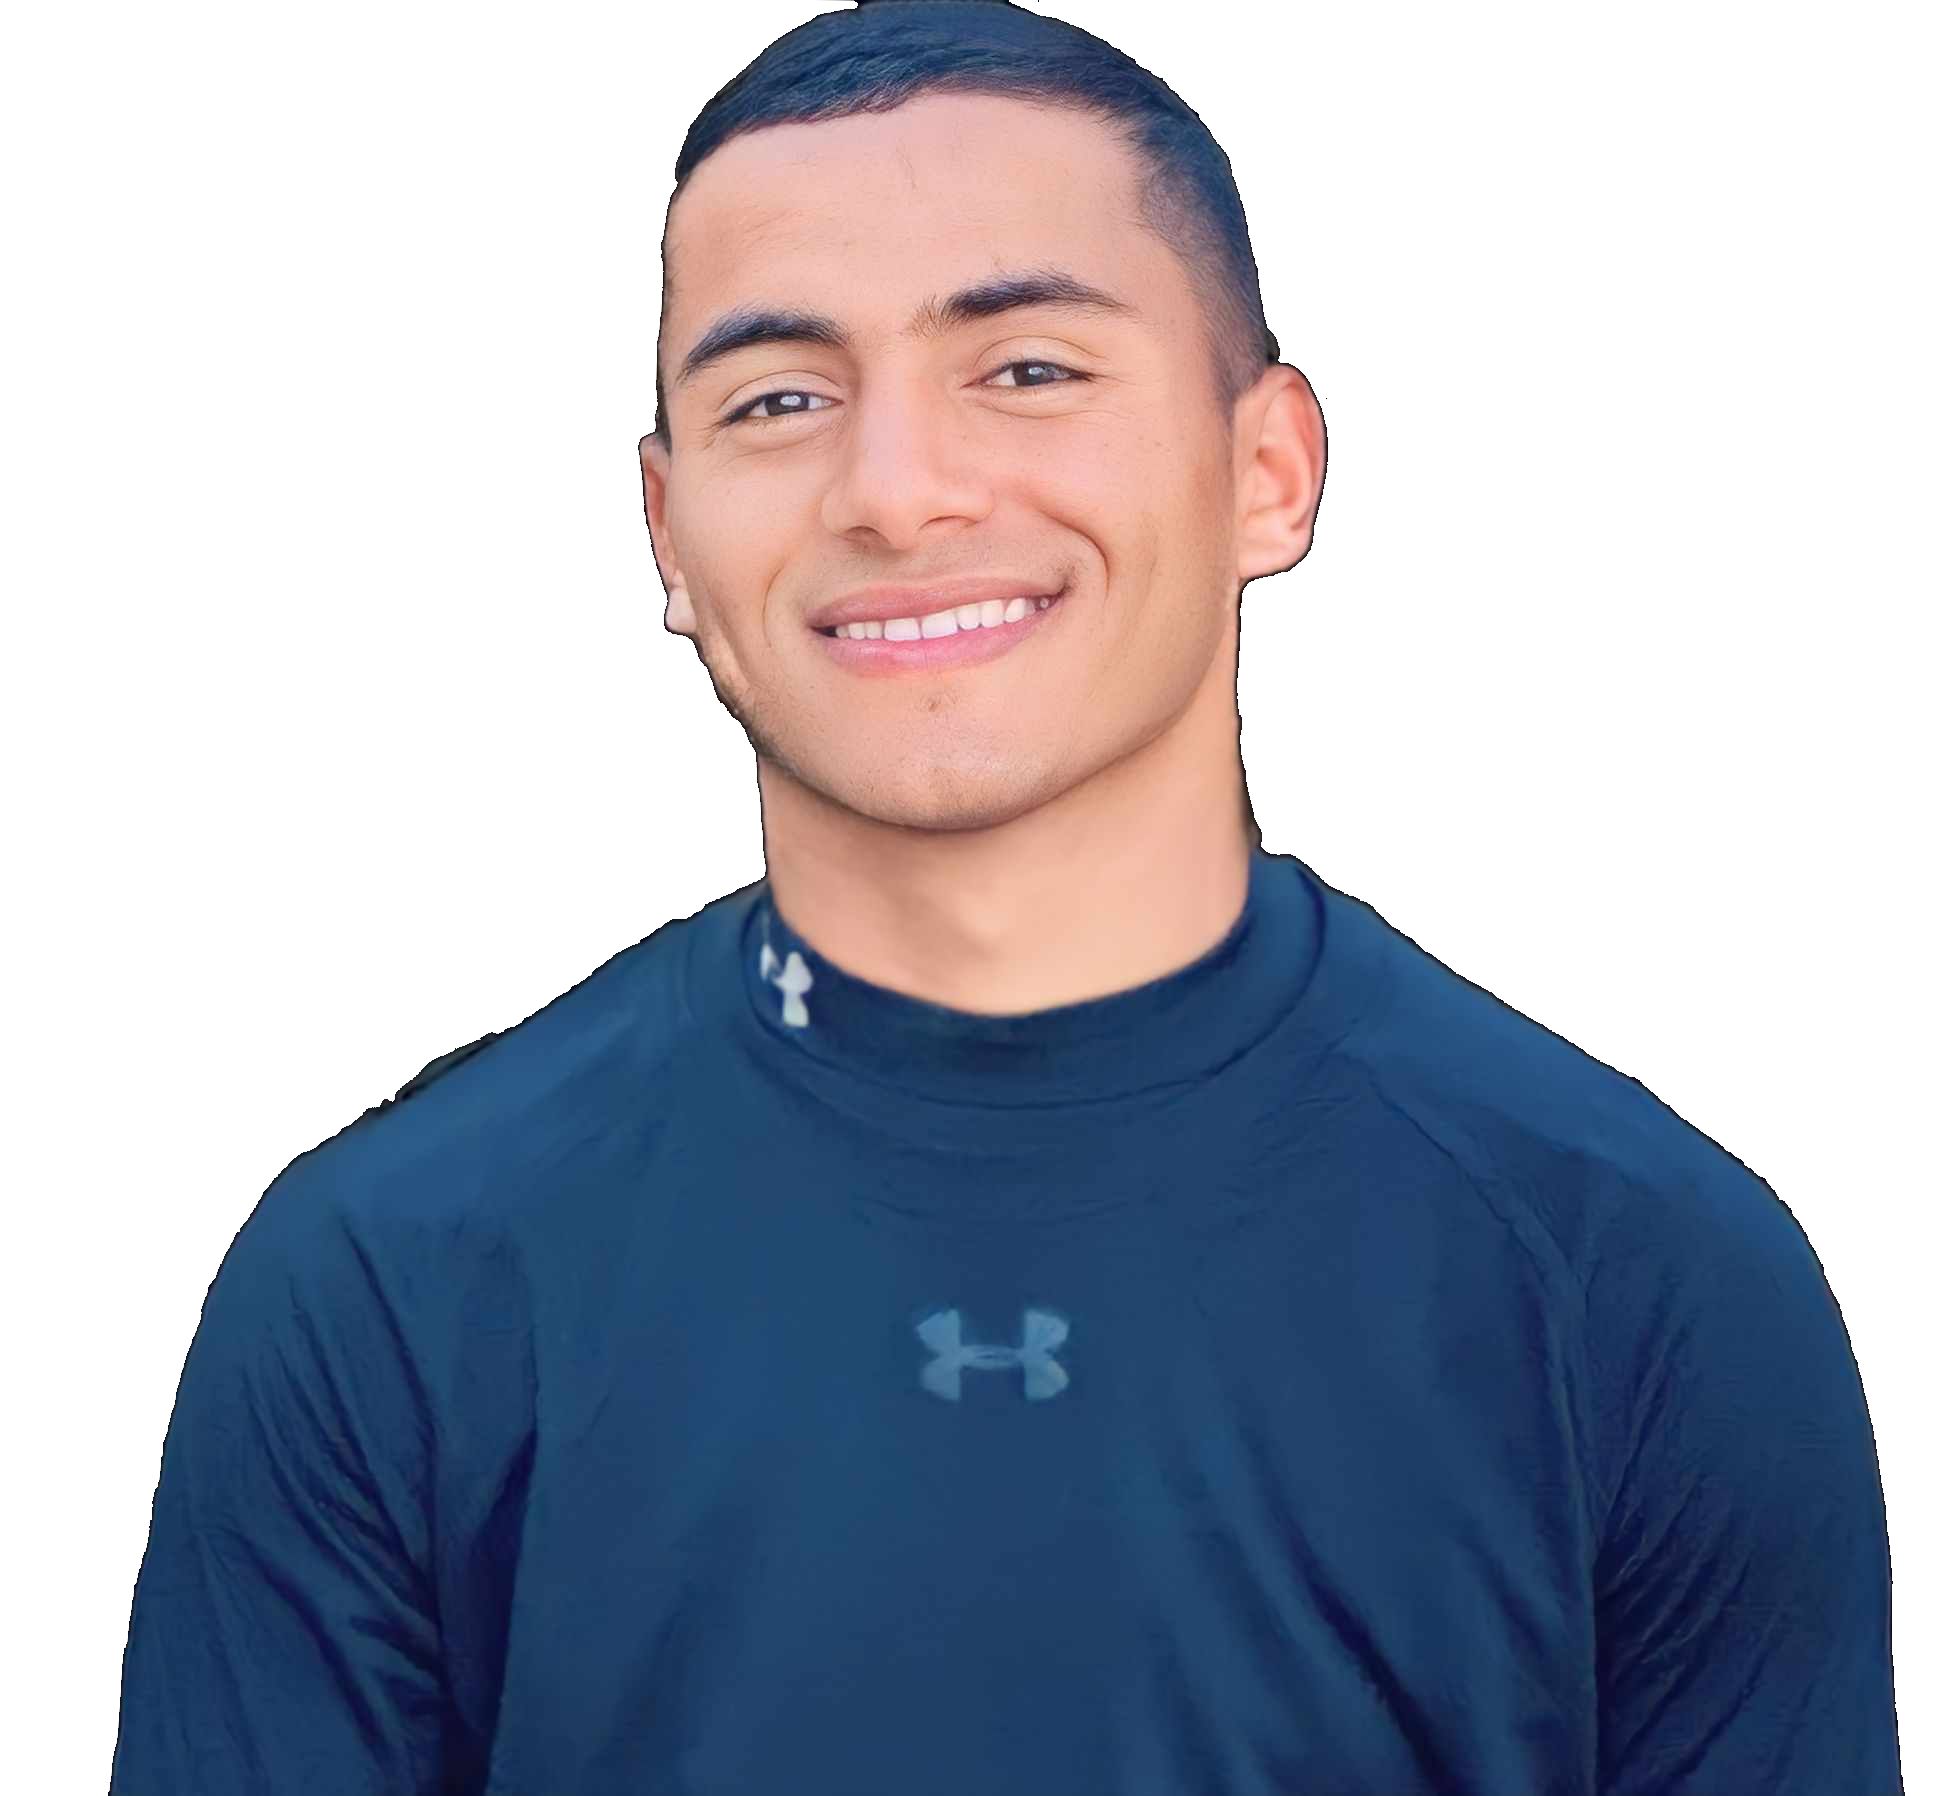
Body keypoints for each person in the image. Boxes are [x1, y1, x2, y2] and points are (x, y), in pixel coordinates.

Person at [110, 2, 1904, 1791]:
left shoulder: (1640, 1277)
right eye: (779, 400)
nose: (898, 493)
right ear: (666, 533)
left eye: (1028, 369)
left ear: (1269, 470)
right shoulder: (387, 1283)